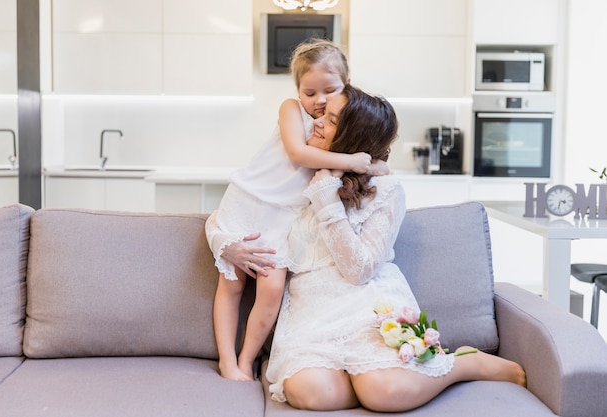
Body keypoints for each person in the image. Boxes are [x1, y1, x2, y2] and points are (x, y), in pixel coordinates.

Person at [226, 84, 527, 412]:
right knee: (311, 394)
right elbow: (235, 207)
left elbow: (359, 270)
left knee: (384, 392)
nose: (316, 122)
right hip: (311, 315)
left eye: (331, 119)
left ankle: (463, 364)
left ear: (352, 137)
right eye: (320, 114)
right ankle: (383, 380)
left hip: (368, 306)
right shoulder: (292, 183)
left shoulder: (385, 190)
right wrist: (224, 245)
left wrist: (328, 201)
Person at [205, 39, 387, 381]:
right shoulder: (291, 109)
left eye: (329, 91)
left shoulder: (340, 127)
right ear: (297, 91)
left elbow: (370, 167)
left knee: (272, 289)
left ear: (347, 84)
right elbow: (298, 155)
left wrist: (372, 165)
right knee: (231, 286)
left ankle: (247, 359)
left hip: (283, 218)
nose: (318, 101)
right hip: (250, 201)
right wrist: (353, 162)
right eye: (310, 92)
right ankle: (227, 362)